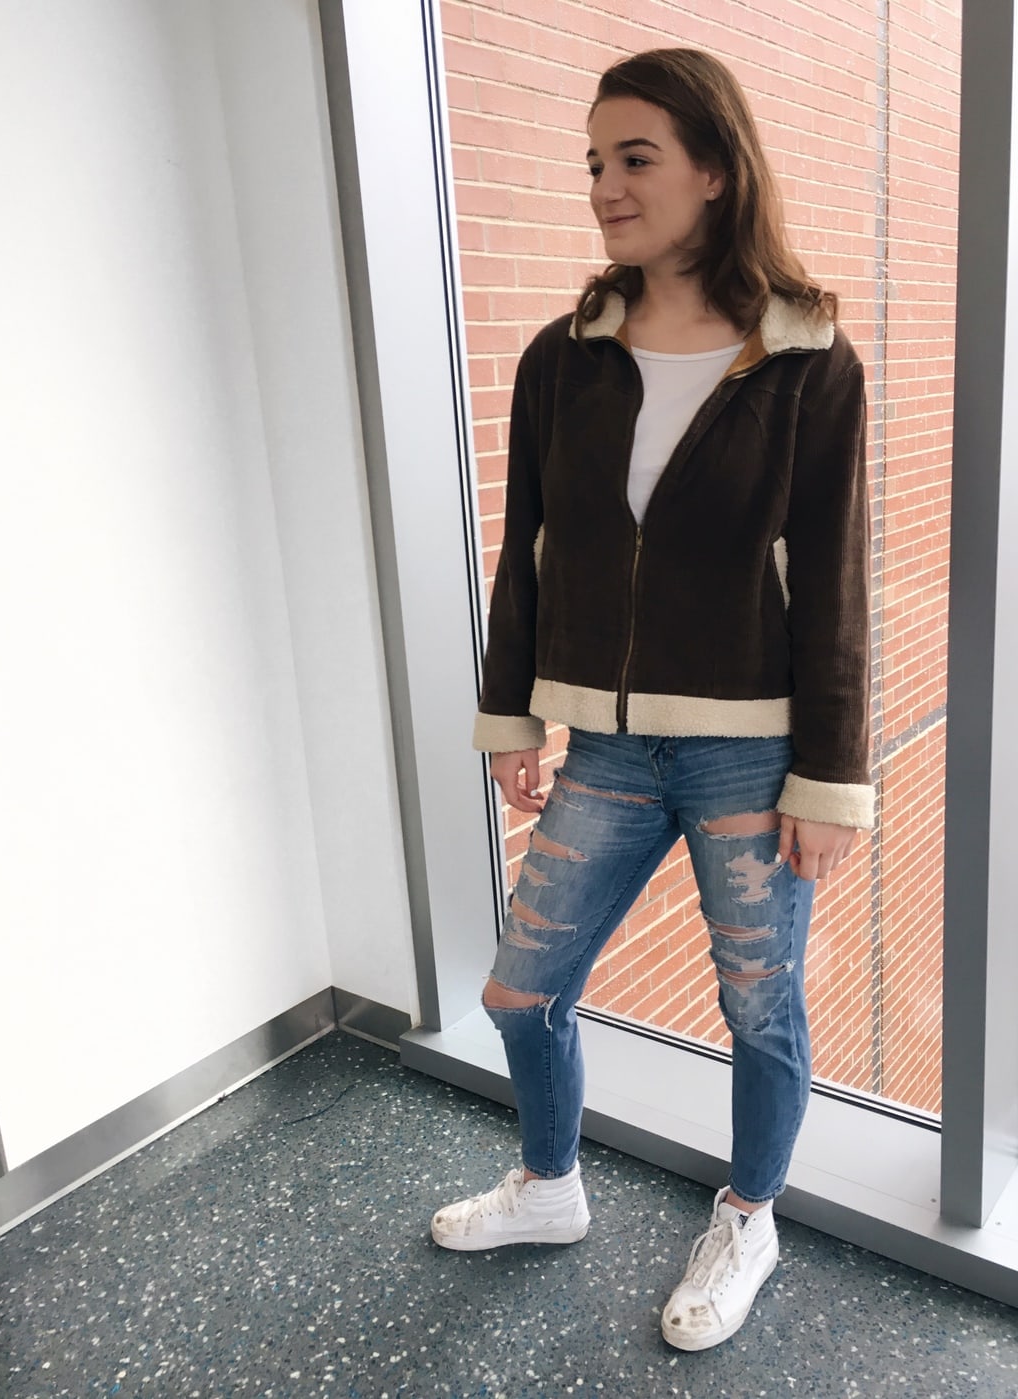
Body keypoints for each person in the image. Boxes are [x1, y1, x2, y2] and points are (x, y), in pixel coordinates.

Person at [430, 47, 872, 1352]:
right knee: (522, 987)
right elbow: (529, 551)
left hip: (754, 753)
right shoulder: (565, 356)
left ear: (715, 171)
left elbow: (837, 587)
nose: (606, 187)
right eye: (593, 162)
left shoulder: (806, 359)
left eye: (636, 158)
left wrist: (831, 780)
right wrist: (512, 715)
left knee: (760, 1008)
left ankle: (749, 1217)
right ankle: (551, 1186)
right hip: (607, 747)